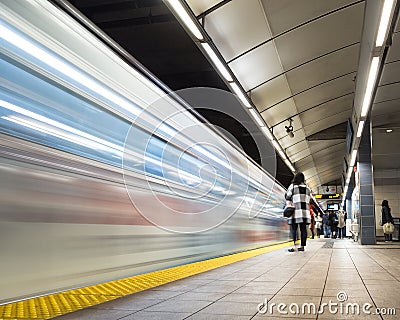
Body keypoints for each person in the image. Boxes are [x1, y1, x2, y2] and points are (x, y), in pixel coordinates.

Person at [285, 172, 311, 252]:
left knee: (294, 229)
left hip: (295, 211)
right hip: (304, 212)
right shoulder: (308, 188)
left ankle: (293, 246)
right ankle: (302, 246)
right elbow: (308, 200)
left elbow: (287, 196)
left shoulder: (293, 186)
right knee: (303, 229)